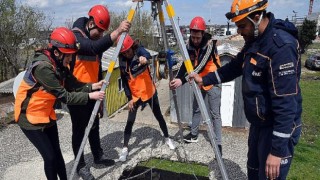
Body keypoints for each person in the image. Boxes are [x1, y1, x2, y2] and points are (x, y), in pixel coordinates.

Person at [189, 0, 302, 179]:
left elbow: (286, 104)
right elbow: (234, 67)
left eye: (242, 26)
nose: (239, 32)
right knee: (254, 173)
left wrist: (277, 151)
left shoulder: (281, 48)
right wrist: (204, 79)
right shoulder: (255, 41)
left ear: (256, 17)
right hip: (259, 125)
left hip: (275, 129)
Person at [14, 27, 106, 180]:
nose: (71, 60)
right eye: (69, 56)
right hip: (28, 116)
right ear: (57, 52)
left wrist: (93, 86)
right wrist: (90, 96)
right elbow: (65, 96)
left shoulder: (60, 64)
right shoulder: (43, 68)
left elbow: (74, 84)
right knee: (49, 158)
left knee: (57, 153)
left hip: (46, 113)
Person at [67, 5, 131, 179]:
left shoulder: (94, 38)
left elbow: (96, 67)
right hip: (78, 92)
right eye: (100, 31)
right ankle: (80, 166)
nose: (101, 35)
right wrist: (117, 31)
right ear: (91, 23)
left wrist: (100, 99)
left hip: (94, 90)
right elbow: (93, 48)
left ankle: (98, 155)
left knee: (94, 126)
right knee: (79, 130)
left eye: (104, 32)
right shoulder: (76, 36)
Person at [117, 35, 175, 162]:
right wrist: (129, 99)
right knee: (130, 122)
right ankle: (125, 148)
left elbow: (147, 55)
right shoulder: (122, 62)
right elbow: (125, 83)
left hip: (149, 93)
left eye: (128, 50)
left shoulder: (139, 51)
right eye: (124, 52)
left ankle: (167, 138)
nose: (127, 54)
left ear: (132, 47)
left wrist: (145, 59)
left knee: (159, 116)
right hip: (135, 96)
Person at [169, 16, 222, 154]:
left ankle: (218, 143)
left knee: (215, 113)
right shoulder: (189, 45)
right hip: (198, 81)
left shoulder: (210, 44)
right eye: (193, 37)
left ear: (203, 34)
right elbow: (186, 65)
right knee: (196, 109)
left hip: (212, 80)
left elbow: (200, 66)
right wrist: (178, 78)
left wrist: (183, 80)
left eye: (198, 38)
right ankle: (193, 135)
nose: (195, 40)